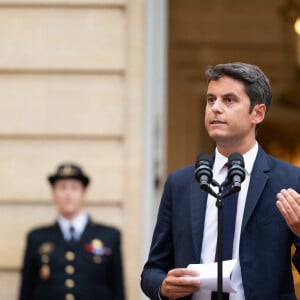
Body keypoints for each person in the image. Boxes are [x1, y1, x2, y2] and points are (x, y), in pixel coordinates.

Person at [141, 62, 300, 300]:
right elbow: (152, 271)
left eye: (229, 100)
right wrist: (163, 286)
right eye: (210, 99)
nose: (215, 108)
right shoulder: (180, 183)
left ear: (258, 113)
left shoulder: (290, 180)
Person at [19, 163, 125, 300]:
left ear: (83, 192)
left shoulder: (109, 236)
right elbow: (26, 292)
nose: (68, 194)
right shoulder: (36, 238)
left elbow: (117, 291)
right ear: (54, 194)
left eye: (74, 188)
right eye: (62, 188)